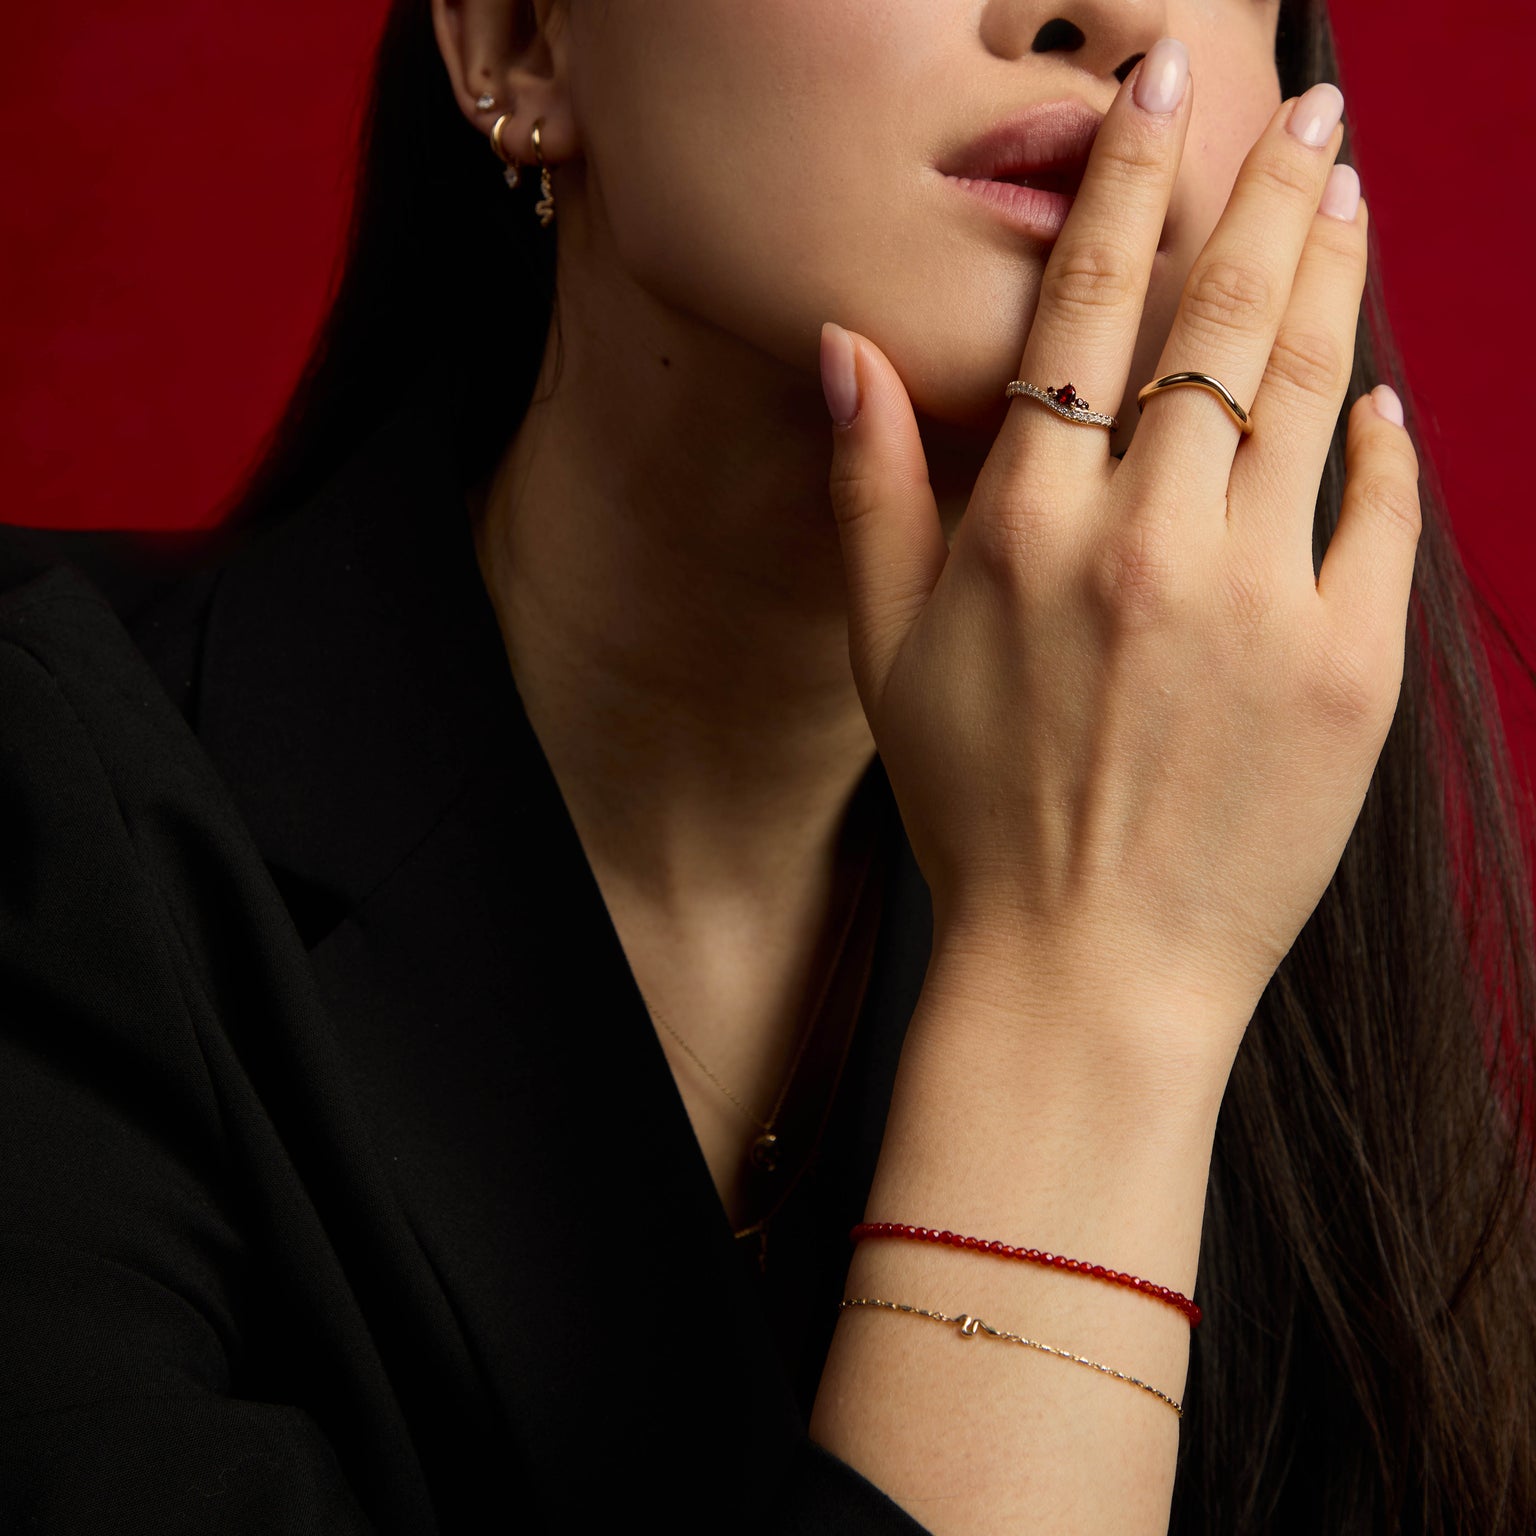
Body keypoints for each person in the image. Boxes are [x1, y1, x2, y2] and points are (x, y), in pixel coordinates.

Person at [2, 0, 1533, 1530]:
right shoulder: (53, 803)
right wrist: (1082, 992)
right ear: (523, 40)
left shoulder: (1281, 874)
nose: (1111, 13)